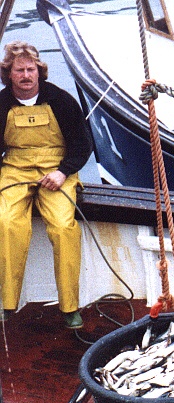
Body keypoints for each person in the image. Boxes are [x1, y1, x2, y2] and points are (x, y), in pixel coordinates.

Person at [0, 41, 92, 329]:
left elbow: (82, 143)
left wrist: (63, 172)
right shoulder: (2, 104)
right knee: (7, 221)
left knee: (64, 227)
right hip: (15, 168)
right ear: (9, 74)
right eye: (19, 70)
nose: (26, 75)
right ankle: (7, 303)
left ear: (40, 72)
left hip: (57, 170)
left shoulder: (61, 100)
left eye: (31, 69)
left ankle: (70, 307)